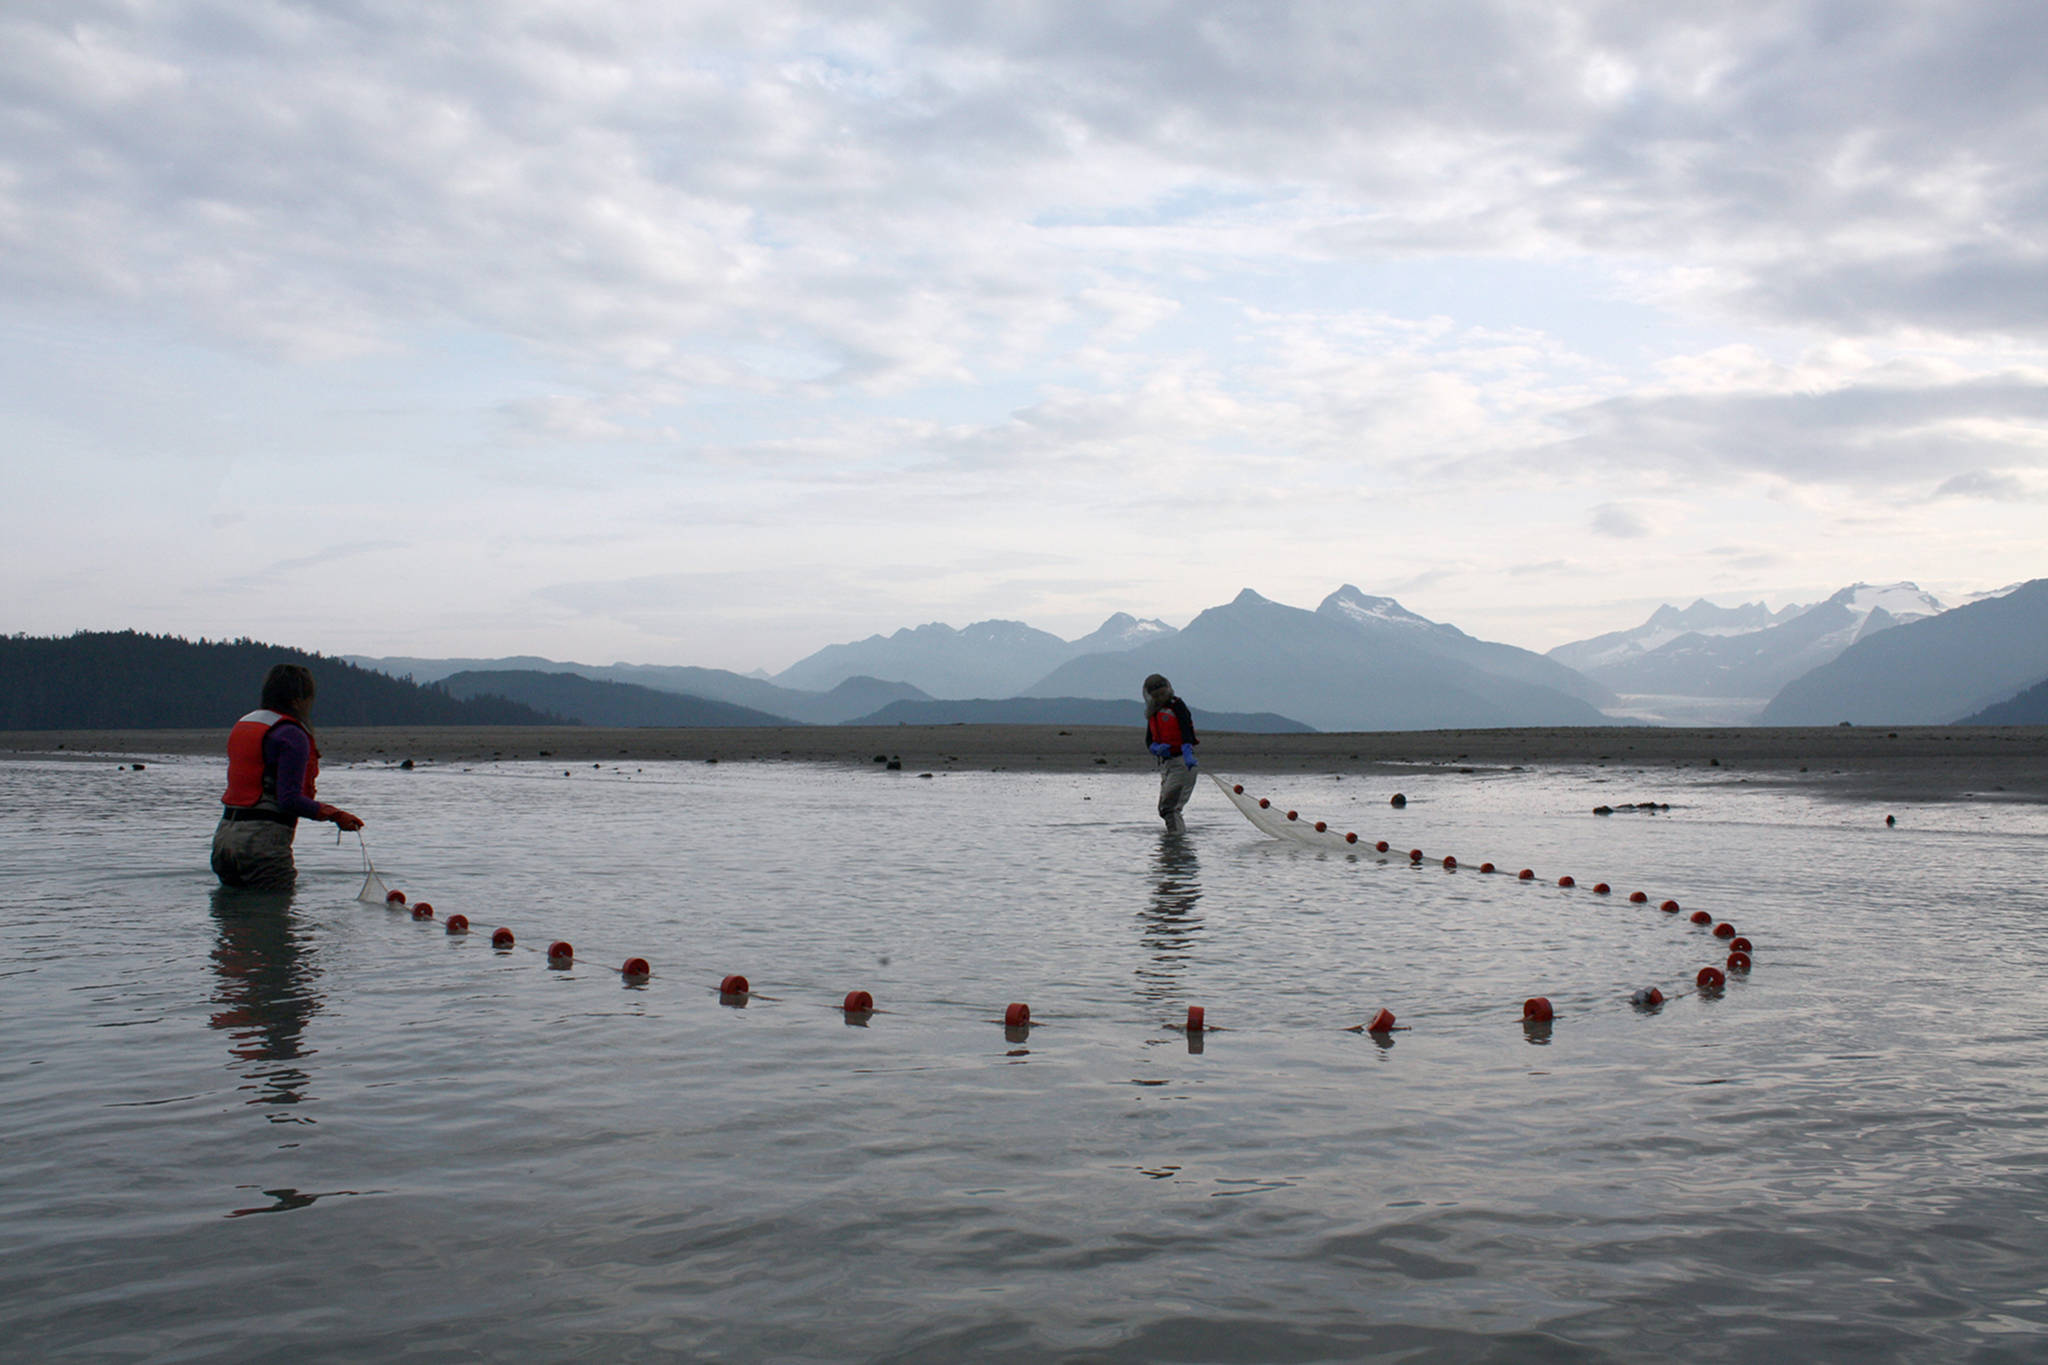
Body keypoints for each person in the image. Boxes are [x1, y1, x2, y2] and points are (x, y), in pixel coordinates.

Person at [212, 664, 363, 889]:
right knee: (274, 918)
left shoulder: (246, 724)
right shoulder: (291, 735)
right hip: (261, 846)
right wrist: (335, 815)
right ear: (298, 699)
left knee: (232, 917)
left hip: (224, 841)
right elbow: (289, 799)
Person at [1142, 673, 1199, 832]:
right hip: (1166, 765)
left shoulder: (1177, 705)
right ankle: (1175, 845)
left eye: (1163, 694)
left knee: (1170, 808)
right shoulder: (1153, 712)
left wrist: (1187, 751)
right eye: (1157, 696)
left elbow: (1186, 730)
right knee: (1165, 809)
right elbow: (1149, 739)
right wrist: (1154, 748)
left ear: (1168, 689)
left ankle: (1177, 846)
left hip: (1182, 764)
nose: (1161, 698)